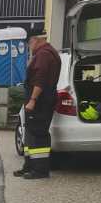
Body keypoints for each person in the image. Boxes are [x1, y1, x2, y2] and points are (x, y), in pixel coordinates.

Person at [14, 24, 61, 180]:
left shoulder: (44, 55)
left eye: (29, 43)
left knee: (38, 134)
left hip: (40, 102)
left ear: (35, 40)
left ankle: (40, 170)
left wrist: (33, 100)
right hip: (40, 101)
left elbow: (40, 80)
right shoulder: (45, 53)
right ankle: (29, 166)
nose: (29, 46)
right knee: (30, 133)